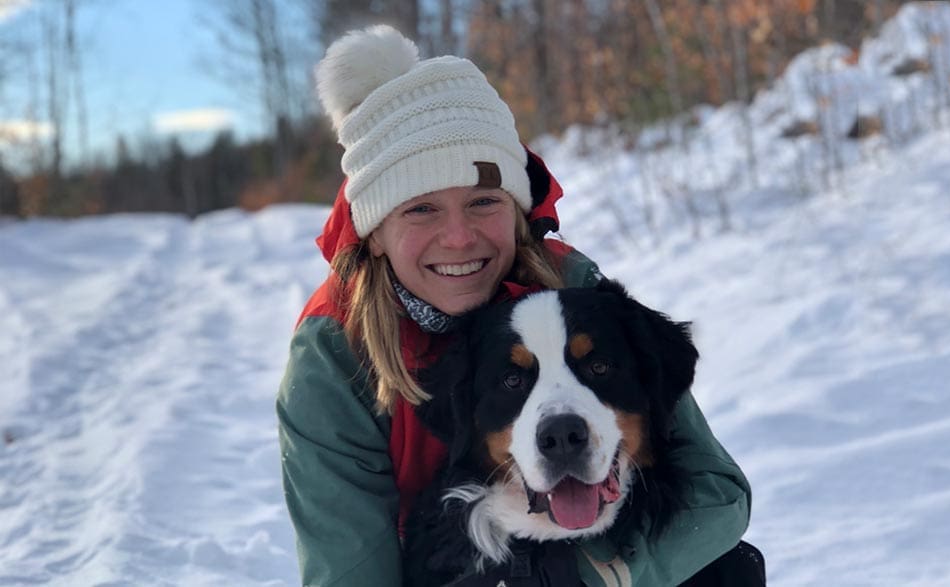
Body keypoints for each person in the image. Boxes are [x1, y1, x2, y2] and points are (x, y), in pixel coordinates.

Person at [277, 24, 758, 587]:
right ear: (374, 233)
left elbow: (715, 494)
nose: (459, 238)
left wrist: (596, 577)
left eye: (483, 201)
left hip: (589, 552)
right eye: (421, 210)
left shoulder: (571, 292)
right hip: (433, 563)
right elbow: (348, 571)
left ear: (517, 212)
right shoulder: (333, 352)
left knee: (724, 570)